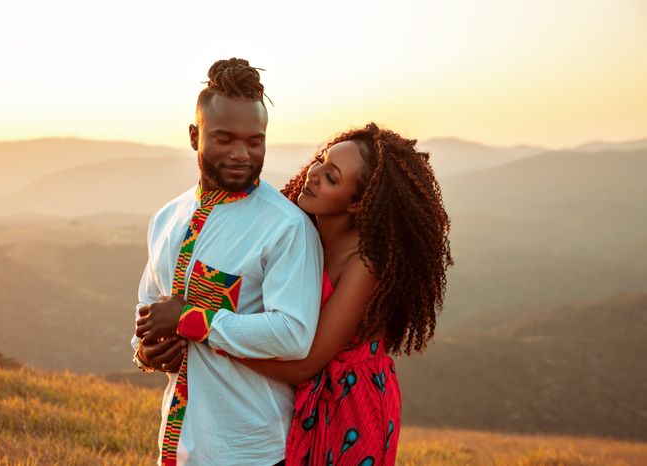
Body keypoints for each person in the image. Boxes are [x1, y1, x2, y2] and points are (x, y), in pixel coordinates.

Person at [131, 58, 323, 466]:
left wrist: (191, 320)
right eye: (225, 139)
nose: (242, 154)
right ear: (194, 135)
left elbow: (293, 334)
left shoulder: (286, 226)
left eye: (255, 141)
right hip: (180, 442)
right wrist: (147, 353)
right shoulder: (167, 218)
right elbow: (149, 308)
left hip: (251, 449)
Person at [236, 123, 454, 465]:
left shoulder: (364, 265)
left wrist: (208, 335)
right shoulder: (300, 229)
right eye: (321, 160)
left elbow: (304, 365)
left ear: (357, 204)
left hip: (352, 404)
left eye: (332, 178)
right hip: (307, 395)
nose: (314, 173)